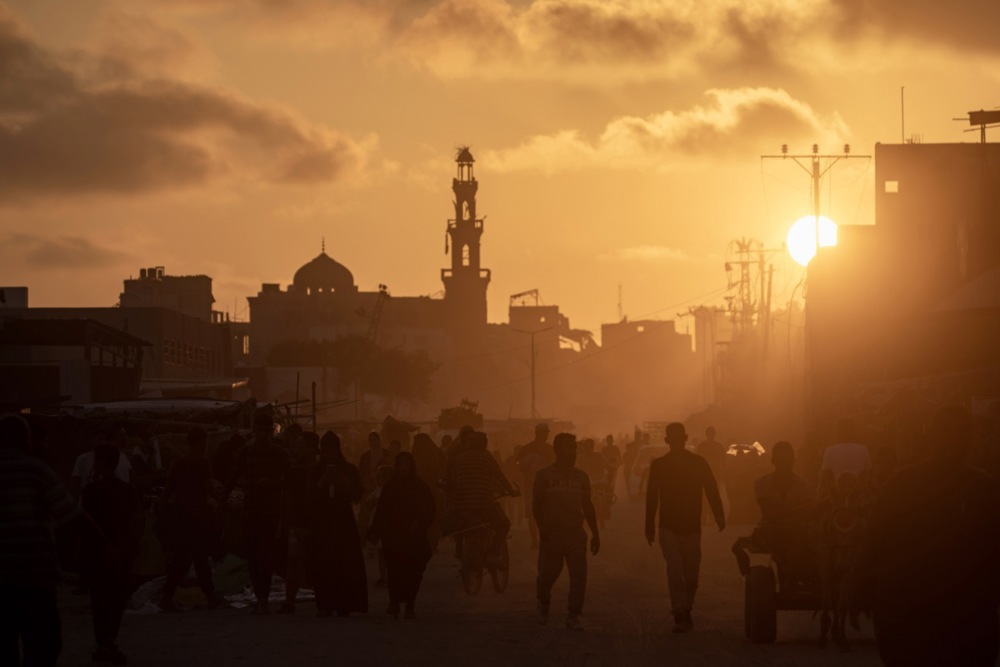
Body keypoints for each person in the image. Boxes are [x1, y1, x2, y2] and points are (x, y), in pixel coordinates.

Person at [857, 406, 1000, 666]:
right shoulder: (982, 488)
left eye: (961, 435)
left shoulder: (982, 489)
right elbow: (874, 542)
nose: (956, 441)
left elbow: (873, 543)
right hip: (930, 617)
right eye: (953, 435)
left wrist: (859, 587)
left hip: (946, 616)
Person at [0, 415, 90, 667]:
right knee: (42, 644)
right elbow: (72, 516)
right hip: (35, 576)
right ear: (24, 440)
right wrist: (104, 547)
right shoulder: (36, 470)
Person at [645, 422, 725, 633]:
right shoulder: (659, 465)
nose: (677, 442)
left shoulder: (698, 463)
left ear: (685, 438)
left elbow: (711, 487)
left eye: (679, 438)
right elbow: (652, 496)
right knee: (675, 571)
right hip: (668, 527)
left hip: (691, 527)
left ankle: (686, 608)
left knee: (691, 574)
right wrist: (649, 525)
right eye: (674, 438)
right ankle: (680, 612)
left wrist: (719, 514)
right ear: (667, 441)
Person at [80, 444, 143, 665]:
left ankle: (104, 643)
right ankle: (108, 642)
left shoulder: (91, 491)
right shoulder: (126, 491)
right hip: (119, 553)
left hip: (99, 555)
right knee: (116, 600)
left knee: (100, 600)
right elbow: (136, 522)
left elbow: (84, 526)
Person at [223, 413, 290, 614]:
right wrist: (222, 499)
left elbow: (290, 479)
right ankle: (261, 596)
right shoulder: (246, 452)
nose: (262, 435)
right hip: (251, 510)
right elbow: (233, 477)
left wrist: (273, 483)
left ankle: (263, 598)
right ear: (255, 431)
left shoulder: (280, 454)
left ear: (270, 432)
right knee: (253, 556)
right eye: (259, 431)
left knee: (266, 556)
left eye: (265, 431)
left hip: (270, 511)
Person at [533, 433, 600, 631]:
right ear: (557, 450)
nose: (573, 452)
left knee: (579, 576)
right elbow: (536, 506)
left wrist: (596, 533)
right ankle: (543, 604)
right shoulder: (544, 476)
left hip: (575, 534)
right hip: (552, 534)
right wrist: (542, 530)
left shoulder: (581, 477)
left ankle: (573, 614)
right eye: (568, 447)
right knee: (547, 575)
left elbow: (588, 506)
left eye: (574, 448)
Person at [367, 452, 436, 619]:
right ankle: (394, 602)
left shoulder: (420, 486)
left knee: (414, 570)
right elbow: (382, 510)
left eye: (406, 464)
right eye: (400, 464)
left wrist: (420, 522)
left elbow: (430, 509)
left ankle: (410, 604)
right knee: (395, 570)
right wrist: (375, 530)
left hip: (413, 537)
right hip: (394, 536)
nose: (403, 468)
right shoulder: (390, 487)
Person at [161, 427, 223, 612]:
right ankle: (210, 596)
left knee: (183, 559)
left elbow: (166, 492)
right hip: (197, 517)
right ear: (197, 443)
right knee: (200, 558)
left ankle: (167, 595)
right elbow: (209, 487)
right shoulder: (202, 462)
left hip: (181, 517)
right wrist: (223, 499)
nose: (206, 446)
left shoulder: (178, 463)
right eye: (204, 442)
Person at [732, 441, 814, 578]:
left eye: (787, 459)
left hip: (798, 532)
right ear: (773, 461)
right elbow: (769, 512)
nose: (784, 463)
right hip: (772, 531)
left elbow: (805, 511)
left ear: (793, 461)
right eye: (780, 459)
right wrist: (795, 511)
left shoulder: (803, 485)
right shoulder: (762, 483)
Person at [309, 431, 368, 617]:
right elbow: (308, 497)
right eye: (325, 448)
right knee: (324, 562)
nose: (329, 452)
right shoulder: (316, 471)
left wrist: (344, 482)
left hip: (343, 521)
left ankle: (346, 603)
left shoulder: (349, 469)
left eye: (332, 448)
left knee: (345, 563)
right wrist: (322, 482)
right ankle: (325, 604)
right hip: (323, 523)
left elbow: (358, 494)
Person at [444, 430, 519, 563]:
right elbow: (500, 477)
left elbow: (453, 479)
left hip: (461, 505)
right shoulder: (487, 456)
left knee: (462, 526)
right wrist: (511, 491)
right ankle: (494, 554)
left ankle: (460, 549)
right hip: (484, 504)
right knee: (504, 525)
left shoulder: (460, 458)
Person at [277, 431, 319, 614]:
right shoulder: (295, 473)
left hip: (315, 523)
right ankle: (289, 601)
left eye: (301, 447)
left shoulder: (318, 472)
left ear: (311, 449)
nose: (297, 450)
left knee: (317, 563)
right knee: (294, 563)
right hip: (297, 523)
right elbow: (287, 499)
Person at [516, 423, 554, 547]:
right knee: (541, 514)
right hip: (545, 487)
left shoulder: (526, 449)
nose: (547, 436)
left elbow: (519, 466)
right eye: (546, 433)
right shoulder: (550, 450)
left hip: (534, 486)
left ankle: (535, 539)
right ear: (541, 434)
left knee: (535, 514)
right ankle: (539, 538)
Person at [71, 424, 133, 496]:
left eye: (104, 439)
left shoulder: (122, 456)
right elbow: (75, 482)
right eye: (100, 439)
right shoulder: (83, 458)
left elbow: (130, 477)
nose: (103, 442)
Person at [820, 418, 871, 487]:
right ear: (853, 431)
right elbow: (868, 473)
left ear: (838, 431)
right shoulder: (863, 449)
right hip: (859, 493)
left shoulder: (829, 451)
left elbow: (825, 475)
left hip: (836, 492)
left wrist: (830, 494)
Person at [358, 431, 386, 496]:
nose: (373, 442)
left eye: (375, 440)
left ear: (379, 441)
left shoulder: (385, 453)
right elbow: (361, 471)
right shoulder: (365, 456)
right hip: (369, 484)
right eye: (371, 440)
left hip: (383, 483)